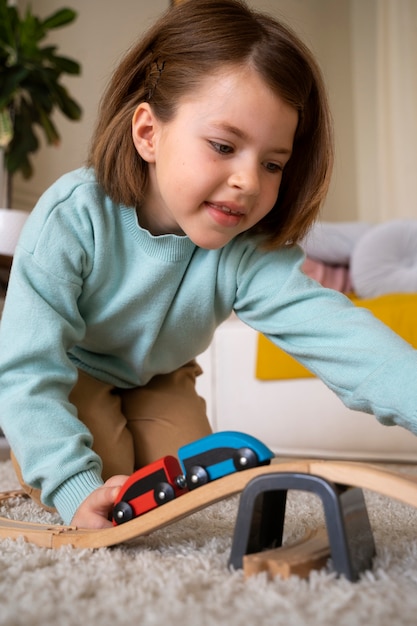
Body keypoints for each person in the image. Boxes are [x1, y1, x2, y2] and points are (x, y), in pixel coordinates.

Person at [0, 0, 416, 530]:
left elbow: (346, 339)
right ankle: (42, 455)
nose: (250, 182)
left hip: (161, 377)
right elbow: (26, 368)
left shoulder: (246, 247)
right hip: (73, 370)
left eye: (272, 164)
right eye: (223, 146)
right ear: (148, 133)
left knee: (192, 489)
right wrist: (69, 482)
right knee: (101, 479)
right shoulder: (72, 217)